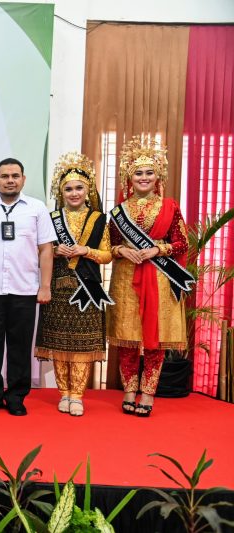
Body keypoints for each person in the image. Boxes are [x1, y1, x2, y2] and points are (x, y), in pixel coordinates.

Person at [107, 137, 193, 417]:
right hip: (125, 277)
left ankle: (148, 392)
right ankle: (129, 389)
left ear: (158, 177)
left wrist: (157, 249)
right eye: (138, 173)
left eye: (149, 172)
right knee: (128, 339)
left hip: (159, 277)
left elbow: (182, 243)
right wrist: (121, 250)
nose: (143, 178)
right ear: (129, 178)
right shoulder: (119, 211)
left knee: (154, 340)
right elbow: (109, 244)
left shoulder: (170, 207)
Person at [0, 158, 55, 416]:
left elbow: (46, 249)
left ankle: (16, 397)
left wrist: (45, 286)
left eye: (15, 176)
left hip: (25, 290)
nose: (10, 180)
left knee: (19, 347)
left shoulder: (37, 209)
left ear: (23, 179)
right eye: (4, 176)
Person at [35, 153, 113, 417]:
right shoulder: (50, 217)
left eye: (79, 187)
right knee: (60, 342)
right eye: (68, 188)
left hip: (87, 288)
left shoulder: (99, 219)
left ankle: (77, 395)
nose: (74, 193)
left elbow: (108, 254)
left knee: (81, 343)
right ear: (61, 191)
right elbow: (39, 250)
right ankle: (64, 393)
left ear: (88, 190)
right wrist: (55, 251)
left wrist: (85, 251)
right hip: (57, 286)